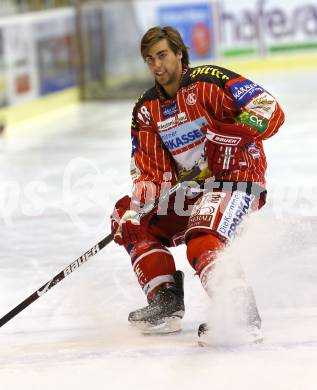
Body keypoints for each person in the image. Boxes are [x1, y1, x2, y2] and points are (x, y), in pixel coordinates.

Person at [110, 26, 285, 344]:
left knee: (202, 238)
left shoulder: (210, 81)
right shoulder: (147, 110)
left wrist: (234, 134)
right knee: (127, 214)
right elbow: (151, 174)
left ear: (179, 52)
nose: (156, 65)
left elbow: (269, 109)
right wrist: (139, 204)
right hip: (192, 190)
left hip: (238, 181)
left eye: (162, 55)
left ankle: (241, 314)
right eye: (149, 59)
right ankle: (165, 300)